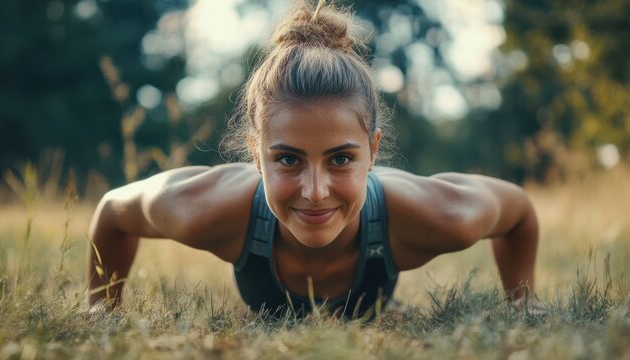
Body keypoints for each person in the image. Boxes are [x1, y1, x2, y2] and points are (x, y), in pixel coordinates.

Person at [87, 0, 543, 318]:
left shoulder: (441, 215)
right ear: (255, 154)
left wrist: (522, 301)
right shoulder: (206, 209)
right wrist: (100, 310)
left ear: (374, 152)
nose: (315, 190)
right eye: (287, 160)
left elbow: (518, 212)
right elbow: (113, 212)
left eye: (341, 159)